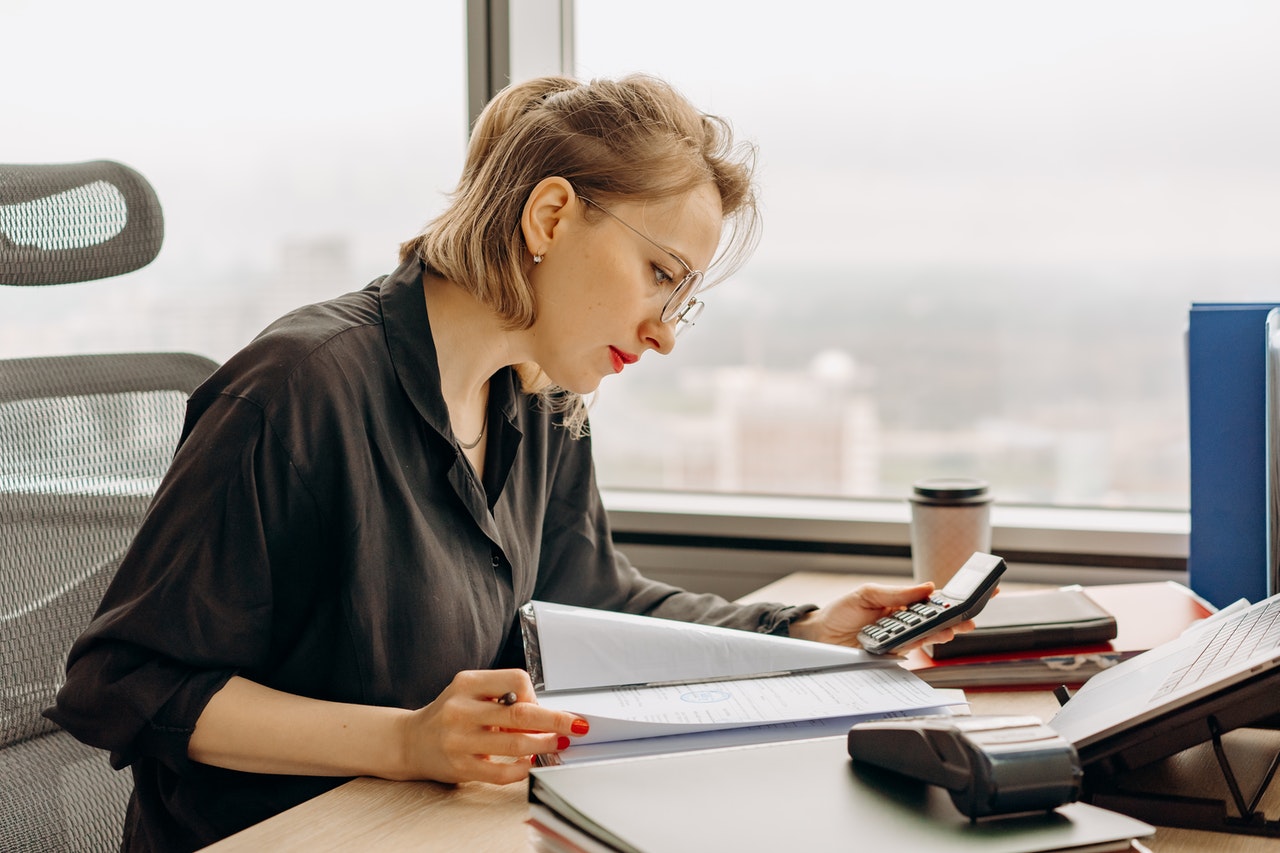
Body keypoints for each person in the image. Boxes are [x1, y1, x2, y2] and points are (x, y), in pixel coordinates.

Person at [48, 74, 972, 852]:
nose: (663, 334)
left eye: (682, 300)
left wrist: (799, 631)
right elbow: (126, 685)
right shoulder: (301, 388)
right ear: (551, 214)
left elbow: (591, 599)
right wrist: (408, 742)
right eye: (660, 276)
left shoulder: (538, 400)